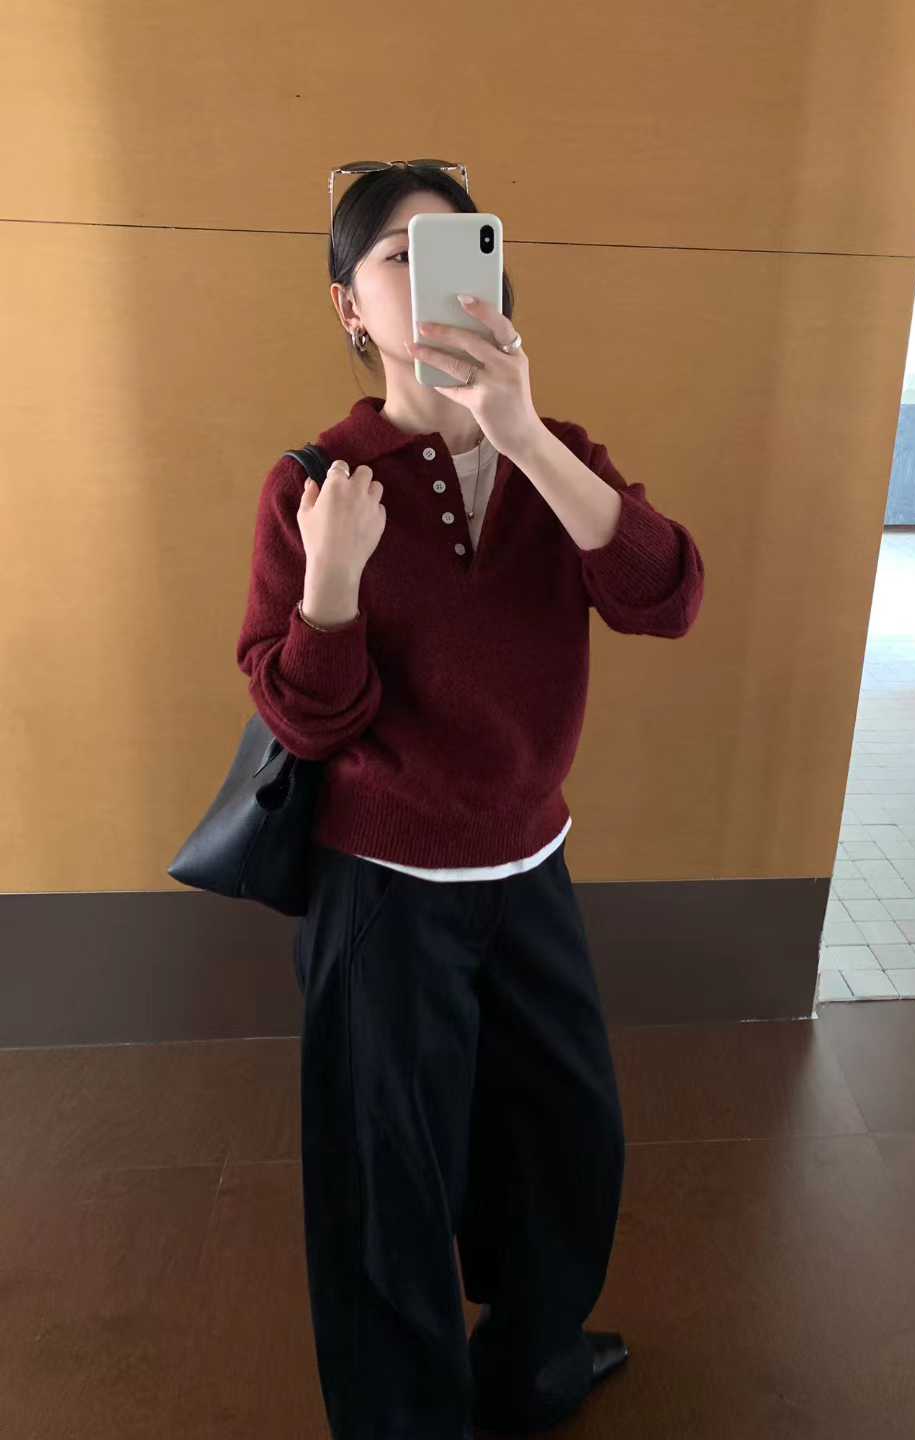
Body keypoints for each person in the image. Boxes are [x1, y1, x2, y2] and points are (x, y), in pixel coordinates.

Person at [236, 162, 705, 1439]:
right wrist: (332, 581)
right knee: (386, 1190)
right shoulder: (316, 483)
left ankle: (531, 1366)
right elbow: (305, 717)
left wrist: (524, 433)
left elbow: (666, 596)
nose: (437, 275)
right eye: (400, 257)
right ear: (350, 306)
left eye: (464, 248)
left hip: (528, 869)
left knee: (568, 1149)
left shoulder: (558, 457)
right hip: (381, 894)